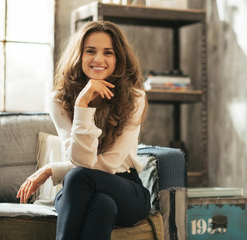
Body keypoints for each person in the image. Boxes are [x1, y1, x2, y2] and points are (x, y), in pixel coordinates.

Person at [16, 21, 151, 240]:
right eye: (90, 51)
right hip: (79, 189)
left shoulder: (135, 98)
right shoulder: (59, 100)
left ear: (118, 59)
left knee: (80, 178)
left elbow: (106, 165)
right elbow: (83, 164)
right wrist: (82, 105)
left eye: (108, 52)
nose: (99, 59)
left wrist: (53, 169)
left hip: (125, 187)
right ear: (78, 55)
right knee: (102, 204)